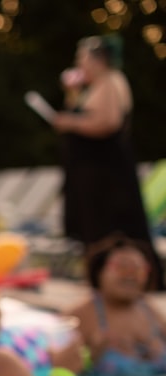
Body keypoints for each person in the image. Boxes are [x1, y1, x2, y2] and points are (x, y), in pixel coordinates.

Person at [52, 34, 164, 291]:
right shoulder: (92, 87)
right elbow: (78, 112)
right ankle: (100, 280)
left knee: (118, 229)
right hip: (90, 172)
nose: (79, 63)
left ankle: (136, 282)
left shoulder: (112, 81)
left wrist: (69, 122)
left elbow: (108, 122)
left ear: (97, 60)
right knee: (93, 228)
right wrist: (72, 93)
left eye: (82, 58)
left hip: (107, 173)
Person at [66, 235, 166, 376]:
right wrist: (90, 357)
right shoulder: (80, 316)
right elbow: (55, 370)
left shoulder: (151, 312)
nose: (130, 276)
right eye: (122, 267)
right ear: (100, 271)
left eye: (138, 269)